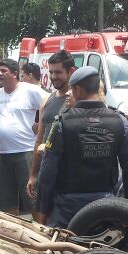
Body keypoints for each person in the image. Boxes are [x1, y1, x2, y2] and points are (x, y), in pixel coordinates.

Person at [37, 67, 128, 228]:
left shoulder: (62, 123)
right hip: (105, 203)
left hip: (66, 206)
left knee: (61, 243)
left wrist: (43, 209)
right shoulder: (120, 121)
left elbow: (48, 171)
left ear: (77, 90)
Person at [0, 58, 46, 215]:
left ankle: (40, 229)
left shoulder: (29, 90)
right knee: (7, 201)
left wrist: (39, 126)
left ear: (14, 73)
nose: (0, 74)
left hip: (25, 153)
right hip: (2, 154)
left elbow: (50, 103)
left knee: (31, 198)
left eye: (4, 71)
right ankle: (11, 229)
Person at [27, 50, 76, 223]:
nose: (54, 77)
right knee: (42, 222)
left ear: (71, 71)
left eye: (58, 72)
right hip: (46, 174)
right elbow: (39, 139)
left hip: (68, 177)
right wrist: (33, 175)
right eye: (51, 72)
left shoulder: (78, 100)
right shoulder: (46, 100)